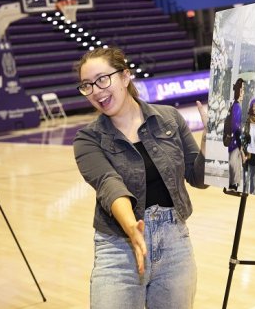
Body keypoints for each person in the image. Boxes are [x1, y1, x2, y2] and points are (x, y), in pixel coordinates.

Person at [72, 47, 208, 309]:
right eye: (87, 85)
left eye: (102, 79)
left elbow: (198, 178)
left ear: (125, 76)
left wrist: (209, 142)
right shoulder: (88, 139)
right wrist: (131, 226)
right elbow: (110, 185)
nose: (97, 91)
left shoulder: (169, 118)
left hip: (174, 246)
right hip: (118, 249)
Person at [227, 78, 244, 192]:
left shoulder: (233, 106)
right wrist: (240, 145)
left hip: (231, 144)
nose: (243, 93)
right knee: (235, 176)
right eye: (242, 90)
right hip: (235, 145)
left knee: (233, 175)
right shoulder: (237, 107)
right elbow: (236, 128)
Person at [242, 98, 255, 194]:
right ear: (251, 107)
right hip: (247, 153)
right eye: (254, 105)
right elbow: (244, 137)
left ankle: (252, 197)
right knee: (246, 178)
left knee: (253, 180)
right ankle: (244, 195)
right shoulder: (247, 120)